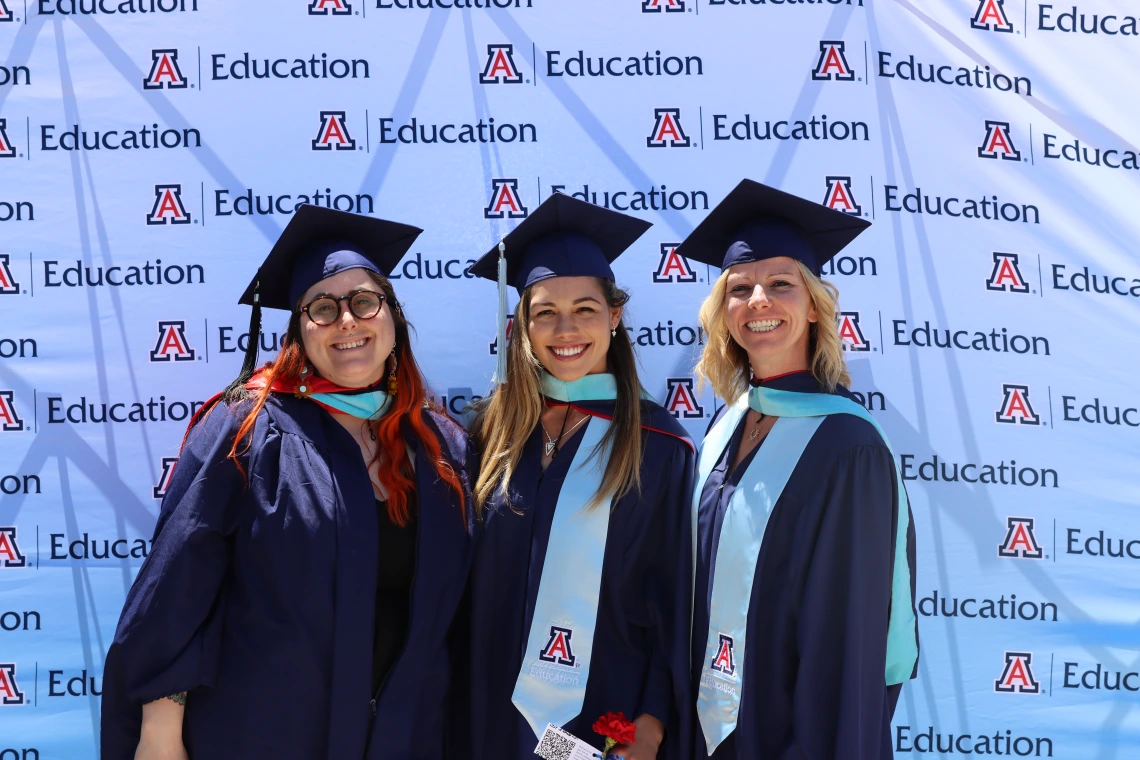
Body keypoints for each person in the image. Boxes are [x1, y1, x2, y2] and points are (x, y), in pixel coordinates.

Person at [100, 205, 475, 760]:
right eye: (323, 308)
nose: (347, 320)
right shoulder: (247, 431)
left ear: (393, 319)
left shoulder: (443, 447)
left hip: (403, 736)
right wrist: (160, 728)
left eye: (365, 302)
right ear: (300, 330)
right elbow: (175, 590)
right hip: (264, 732)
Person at [675, 180, 919, 760]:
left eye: (781, 284)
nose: (758, 299)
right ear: (722, 312)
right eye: (739, 289)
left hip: (791, 731)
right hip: (705, 726)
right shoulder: (723, 429)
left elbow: (847, 635)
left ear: (814, 306)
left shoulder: (848, 445)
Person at [462, 193, 695, 760]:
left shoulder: (660, 447)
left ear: (614, 316)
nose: (565, 328)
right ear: (521, 325)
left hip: (602, 718)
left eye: (586, 309)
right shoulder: (487, 435)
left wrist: (654, 715)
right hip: (482, 712)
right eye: (545, 311)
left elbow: (680, 599)